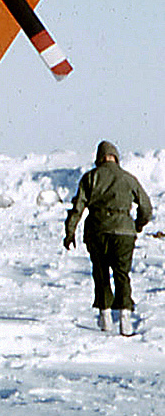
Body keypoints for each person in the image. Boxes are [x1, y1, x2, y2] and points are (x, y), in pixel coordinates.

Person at [64, 141, 153, 334]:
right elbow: (146, 207)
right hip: (124, 233)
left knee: (101, 272)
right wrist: (138, 224)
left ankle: (105, 316)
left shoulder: (90, 178)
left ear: (99, 158)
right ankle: (125, 318)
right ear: (116, 157)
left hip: (97, 232)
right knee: (122, 274)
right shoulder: (129, 179)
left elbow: (78, 208)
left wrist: (70, 232)